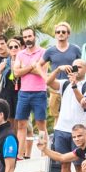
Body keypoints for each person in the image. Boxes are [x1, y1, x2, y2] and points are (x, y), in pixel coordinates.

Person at [47, 58, 86, 172]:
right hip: (62, 128)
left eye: (79, 67)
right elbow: (48, 82)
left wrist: (74, 84)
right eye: (74, 67)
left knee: (79, 165)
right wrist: (58, 70)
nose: (76, 69)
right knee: (64, 164)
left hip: (78, 130)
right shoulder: (64, 83)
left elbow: (82, 102)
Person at [13, 26, 49, 159]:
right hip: (24, 93)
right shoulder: (20, 54)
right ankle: (19, 154)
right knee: (21, 124)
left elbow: (41, 71)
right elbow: (16, 72)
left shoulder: (43, 52)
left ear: (34, 37)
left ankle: (44, 152)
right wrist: (32, 66)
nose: (27, 39)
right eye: (25, 37)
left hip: (39, 92)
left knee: (41, 125)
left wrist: (24, 68)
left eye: (30, 36)